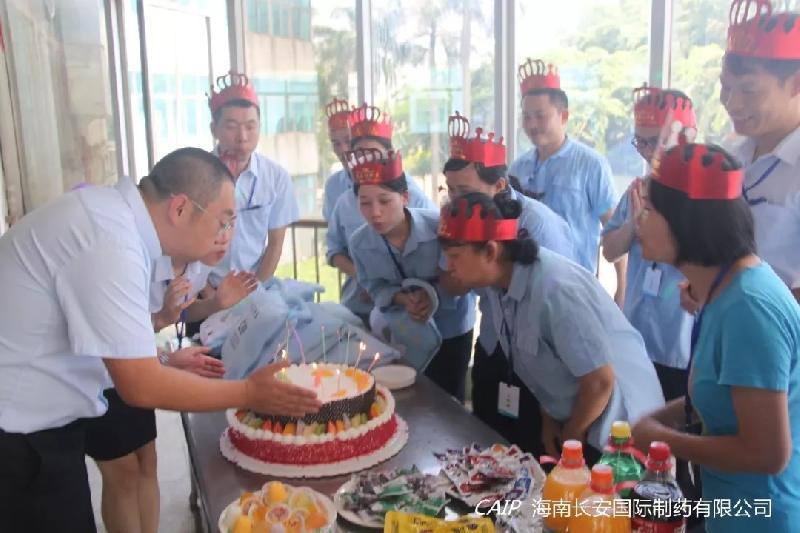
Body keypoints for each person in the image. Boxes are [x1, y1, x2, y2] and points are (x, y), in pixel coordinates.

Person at [0, 147, 321, 532]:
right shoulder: (110, 241)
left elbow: (121, 340)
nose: (224, 236)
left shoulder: (112, 223)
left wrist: (167, 359)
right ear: (180, 208)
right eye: (222, 222)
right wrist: (249, 392)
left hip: (35, 423)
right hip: (20, 431)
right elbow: (140, 384)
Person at [631, 140, 800, 532]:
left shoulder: (749, 307)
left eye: (650, 209)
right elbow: (726, 394)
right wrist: (656, 420)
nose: (639, 219)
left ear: (686, 222)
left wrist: (663, 439)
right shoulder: (722, 291)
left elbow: (767, 454)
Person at [437, 192, 664, 463]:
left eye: (454, 256)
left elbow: (600, 381)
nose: (448, 266)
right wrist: (550, 417)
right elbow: (542, 361)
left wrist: (572, 434)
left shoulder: (556, 290)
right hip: (584, 412)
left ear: (490, 251)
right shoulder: (499, 285)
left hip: (620, 430)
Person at [442, 111, 575, 454]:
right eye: (451, 190)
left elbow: (560, 306)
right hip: (493, 342)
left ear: (499, 186)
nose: (457, 201)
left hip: (538, 357)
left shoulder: (539, 226)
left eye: (465, 190)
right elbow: (454, 283)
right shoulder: (458, 216)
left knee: (531, 451)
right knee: (486, 442)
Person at [348, 148, 475, 402]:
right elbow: (372, 286)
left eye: (384, 201)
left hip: (451, 326)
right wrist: (399, 298)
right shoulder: (359, 243)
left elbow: (463, 276)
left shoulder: (440, 227)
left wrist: (432, 297)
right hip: (404, 332)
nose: (375, 212)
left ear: (405, 197)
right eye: (365, 203)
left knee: (450, 399)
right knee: (408, 397)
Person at [601, 85, 696, 401]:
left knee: (675, 422)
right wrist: (633, 224)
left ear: (686, 136)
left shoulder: (702, 196)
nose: (647, 151)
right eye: (639, 141)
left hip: (680, 338)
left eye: (654, 141)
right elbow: (610, 250)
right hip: (636, 333)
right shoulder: (637, 190)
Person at [509, 58, 625, 304]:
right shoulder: (518, 168)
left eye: (540, 116)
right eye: (526, 117)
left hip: (575, 289)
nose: (531, 125)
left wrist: (622, 290)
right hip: (526, 288)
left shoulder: (591, 165)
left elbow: (614, 228)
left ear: (563, 116)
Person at [326, 103, 435, 323]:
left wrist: (410, 295)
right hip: (359, 303)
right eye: (359, 155)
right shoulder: (344, 201)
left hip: (417, 311)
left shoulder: (413, 196)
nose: (375, 212)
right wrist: (364, 277)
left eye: (373, 154)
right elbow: (334, 248)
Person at [207, 70, 299, 285]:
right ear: (214, 129)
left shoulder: (276, 178)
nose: (242, 137)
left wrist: (253, 290)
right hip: (202, 289)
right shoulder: (196, 175)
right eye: (231, 127)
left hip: (252, 288)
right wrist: (207, 294)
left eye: (250, 126)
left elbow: (275, 246)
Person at [322, 97, 353, 221]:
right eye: (336, 143)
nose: (343, 150)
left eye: (348, 141)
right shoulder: (333, 185)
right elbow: (332, 229)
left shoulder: (397, 183)